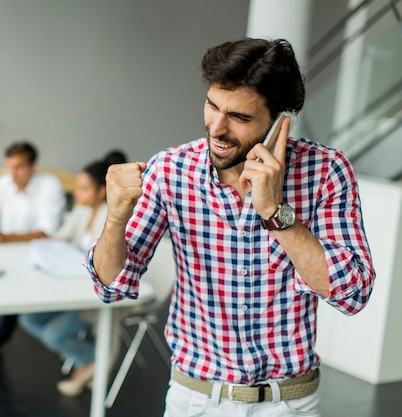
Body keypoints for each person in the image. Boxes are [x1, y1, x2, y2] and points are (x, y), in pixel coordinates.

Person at [85, 38, 375, 417]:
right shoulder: (171, 171)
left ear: (278, 121)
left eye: (239, 117)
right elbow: (110, 286)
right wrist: (115, 217)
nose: (216, 128)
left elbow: (353, 292)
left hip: (287, 403)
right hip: (194, 399)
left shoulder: (326, 172)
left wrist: (275, 211)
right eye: (212, 106)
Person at [19, 150, 127, 397]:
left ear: (102, 191)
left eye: (84, 189)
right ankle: (88, 359)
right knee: (28, 319)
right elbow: (59, 238)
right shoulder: (81, 211)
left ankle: (94, 362)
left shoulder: (112, 219)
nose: (76, 194)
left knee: (53, 334)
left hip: (95, 298)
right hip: (73, 288)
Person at [0, 140, 67, 362]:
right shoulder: (4, 183)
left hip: (35, 257)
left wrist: (6, 238)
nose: (13, 173)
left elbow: (47, 233)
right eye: (9, 166)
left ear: (33, 166)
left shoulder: (50, 187)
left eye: (18, 167)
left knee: (15, 285)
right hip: (3, 253)